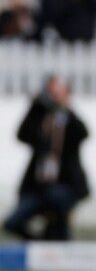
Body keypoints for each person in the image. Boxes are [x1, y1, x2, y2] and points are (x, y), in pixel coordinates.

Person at [3, 75, 90, 240]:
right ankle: (41, 243)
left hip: (64, 186)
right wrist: (36, 106)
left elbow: (83, 133)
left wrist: (64, 107)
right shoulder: (41, 119)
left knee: (57, 204)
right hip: (38, 187)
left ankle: (56, 240)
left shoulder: (69, 120)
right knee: (12, 223)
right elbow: (22, 135)